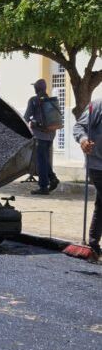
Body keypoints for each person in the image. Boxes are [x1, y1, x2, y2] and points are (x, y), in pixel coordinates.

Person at [73, 98, 102, 258]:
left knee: (101, 205)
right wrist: (83, 140)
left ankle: (93, 244)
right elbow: (79, 127)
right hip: (98, 165)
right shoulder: (97, 106)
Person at [23, 79, 60, 195]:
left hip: (40, 136)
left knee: (41, 162)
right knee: (45, 159)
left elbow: (26, 117)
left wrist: (31, 123)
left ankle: (43, 186)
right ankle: (53, 178)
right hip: (50, 134)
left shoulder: (34, 100)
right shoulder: (51, 100)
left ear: (36, 89)